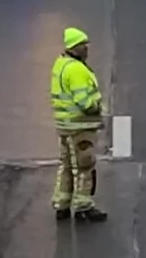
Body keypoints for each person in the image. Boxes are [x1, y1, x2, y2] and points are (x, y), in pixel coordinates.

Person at [50, 27, 108, 222]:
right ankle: (83, 207)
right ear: (74, 47)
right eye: (83, 45)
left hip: (65, 126)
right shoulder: (76, 69)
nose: (86, 49)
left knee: (66, 166)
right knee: (84, 167)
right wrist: (97, 106)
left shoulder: (61, 64)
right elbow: (85, 102)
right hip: (80, 128)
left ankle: (62, 205)